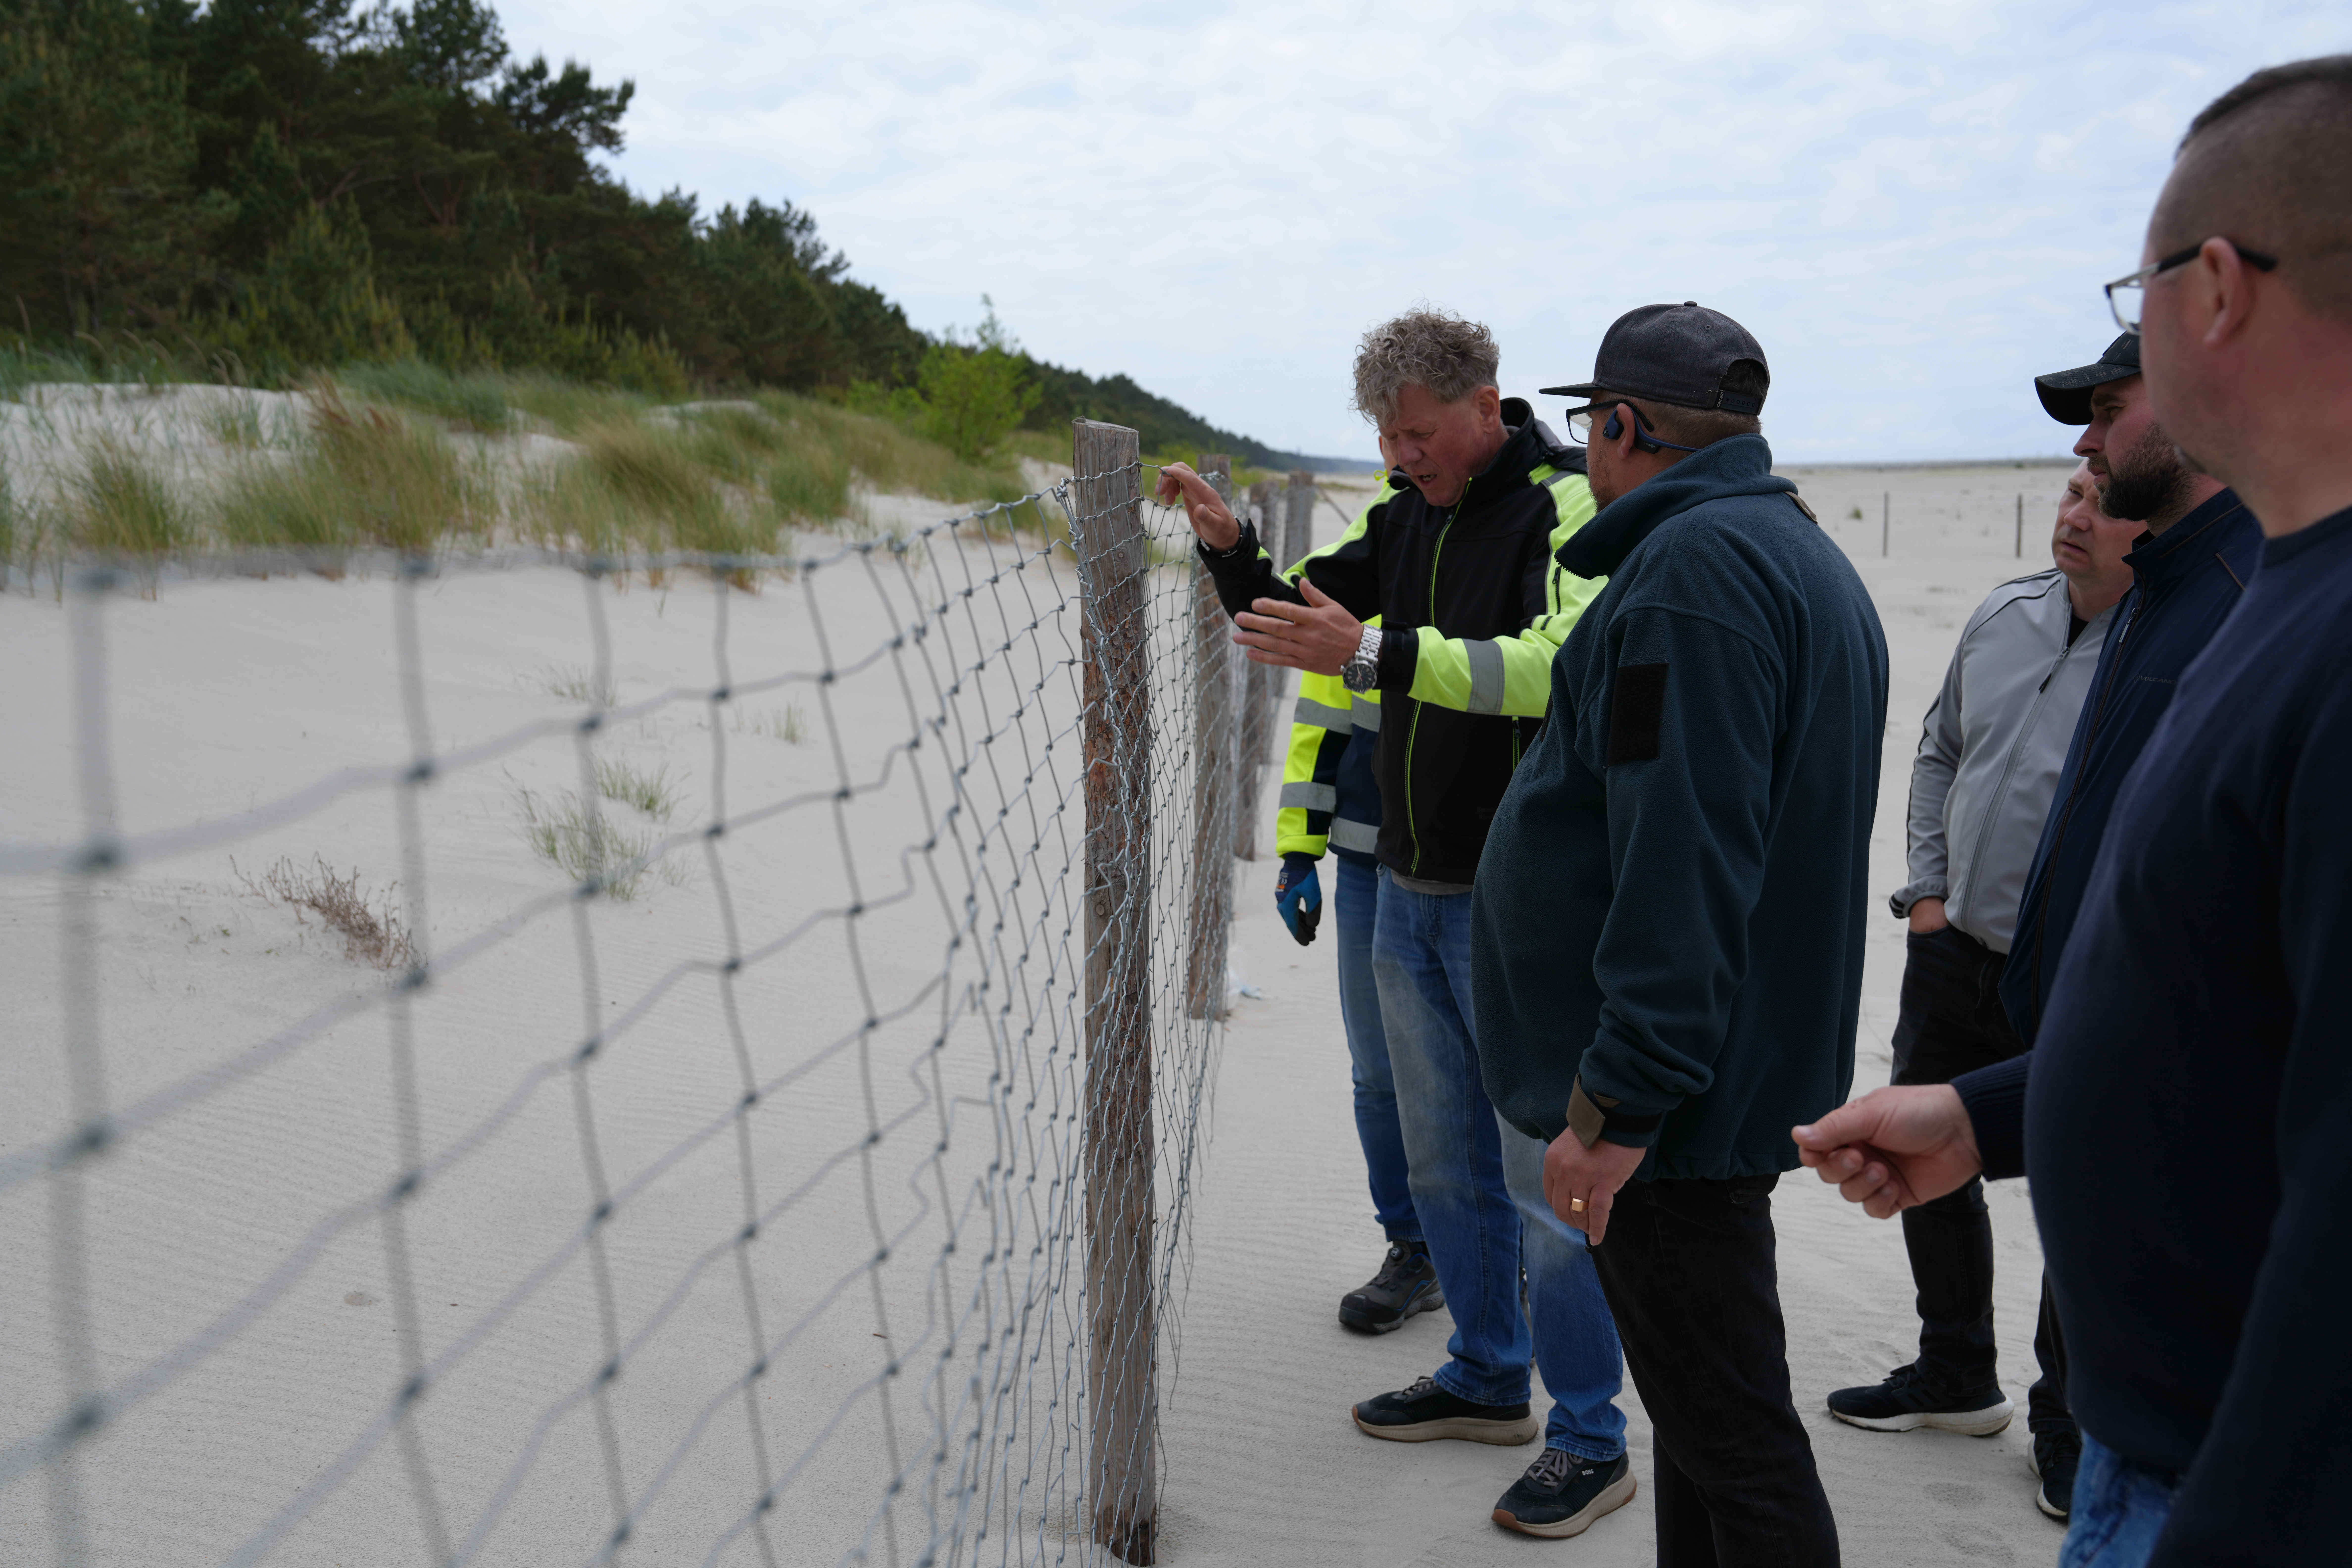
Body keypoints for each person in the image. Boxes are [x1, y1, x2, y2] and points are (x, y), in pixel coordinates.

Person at [1794, 54, 2352, 1568]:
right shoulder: (2225, 600)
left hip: (2223, 1487)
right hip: (2159, 1447)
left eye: (2138, 297)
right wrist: (1985, 1114)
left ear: (2217, 290)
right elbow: (2229, 1018)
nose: (2091, 429)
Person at [1156, 308, 1633, 1540]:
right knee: (1440, 1162)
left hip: (1519, 897)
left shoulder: (1569, 507)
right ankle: (1485, 1374)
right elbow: (1296, 618)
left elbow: (1552, 667)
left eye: (1417, 433)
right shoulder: (1403, 510)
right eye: (1383, 433)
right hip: (1405, 886)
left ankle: (1591, 1435)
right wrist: (1229, 551)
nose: (1399, 454)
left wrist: (1371, 651)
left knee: (1545, 1181)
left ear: (1487, 407)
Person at [1468, 302, 1888, 1564]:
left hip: (1677, 1102)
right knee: (1704, 1428)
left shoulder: (1694, 575)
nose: (1584, 449)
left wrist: (1618, 1105)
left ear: (1621, 425)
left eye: (1591, 425)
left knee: (1739, 1441)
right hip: (1722, 1070)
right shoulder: (1789, 548)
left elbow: (1684, 853)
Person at [1824, 463, 2135, 1518]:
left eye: (2101, 503)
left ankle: (2070, 1421)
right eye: (2069, 495)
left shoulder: (2172, 648)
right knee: (1924, 1160)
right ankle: (1957, 1372)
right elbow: (1939, 752)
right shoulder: (2006, 612)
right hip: (1952, 949)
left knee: (2079, 1188)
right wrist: (1925, 896)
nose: (2074, 517)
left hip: (2077, 973)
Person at [1996, 331, 2260, 1048]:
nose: (2087, 442)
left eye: (2110, 410)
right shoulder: (2156, 581)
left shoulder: (2257, 598)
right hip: (2084, 1050)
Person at [1268, 483, 1440, 1333]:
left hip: (1472, 863)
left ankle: (1499, 1246)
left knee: (1479, 1077)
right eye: (1385, 434)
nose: (1398, 453)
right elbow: (1323, 715)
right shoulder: (1375, 534)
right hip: (1368, 859)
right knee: (1380, 1076)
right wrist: (1299, 848)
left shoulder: (1509, 524)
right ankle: (1414, 1250)